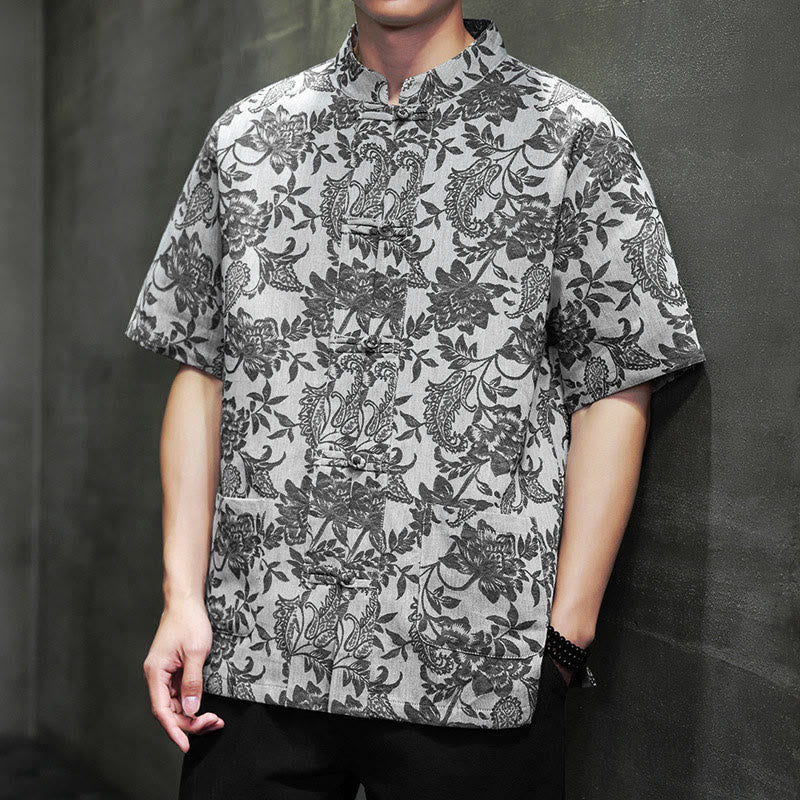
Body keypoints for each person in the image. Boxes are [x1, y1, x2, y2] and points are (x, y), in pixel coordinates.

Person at [125, 1, 706, 798]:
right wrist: (181, 599)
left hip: (476, 664)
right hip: (257, 652)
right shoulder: (248, 138)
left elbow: (614, 379)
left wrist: (565, 638)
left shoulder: (570, 135)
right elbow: (201, 368)